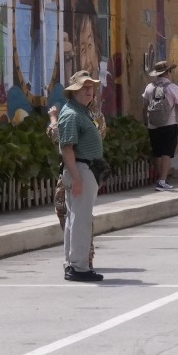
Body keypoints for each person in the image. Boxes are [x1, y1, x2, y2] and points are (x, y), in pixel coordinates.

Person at [56, 70, 106, 283]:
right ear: (74, 91)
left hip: (85, 170)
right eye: (84, 87)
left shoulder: (80, 111)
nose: (89, 91)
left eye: (91, 87)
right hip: (81, 169)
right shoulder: (71, 114)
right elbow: (67, 148)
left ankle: (74, 264)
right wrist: (76, 178)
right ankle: (78, 266)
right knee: (80, 220)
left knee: (75, 219)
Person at [141, 61, 178, 190]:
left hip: (153, 125)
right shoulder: (172, 87)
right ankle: (162, 181)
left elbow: (144, 107)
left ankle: (160, 178)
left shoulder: (149, 87)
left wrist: (146, 122)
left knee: (157, 153)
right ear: (167, 72)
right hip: (169, 124)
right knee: (167, 153)